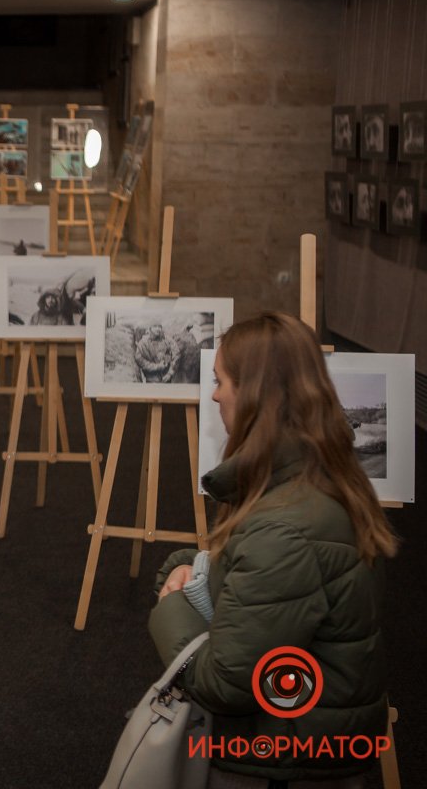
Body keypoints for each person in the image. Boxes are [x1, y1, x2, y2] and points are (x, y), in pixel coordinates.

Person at [149, 312, 397, 789]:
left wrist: (170, 608)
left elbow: (227, 683)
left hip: (276, 763)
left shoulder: (285, 529)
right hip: (308, 746)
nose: (215, 394)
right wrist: (190, 568)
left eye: (221, 381)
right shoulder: (317, 481)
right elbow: (267, 589)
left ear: (255, 396)